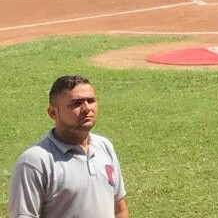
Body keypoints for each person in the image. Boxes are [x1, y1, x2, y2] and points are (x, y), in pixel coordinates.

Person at [8, 74, 129, 218]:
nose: (86, 108)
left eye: (91, 101)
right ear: (53, 112)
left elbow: (119, 209)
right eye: (76, 103)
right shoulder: (35, 162)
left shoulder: (104, 147)